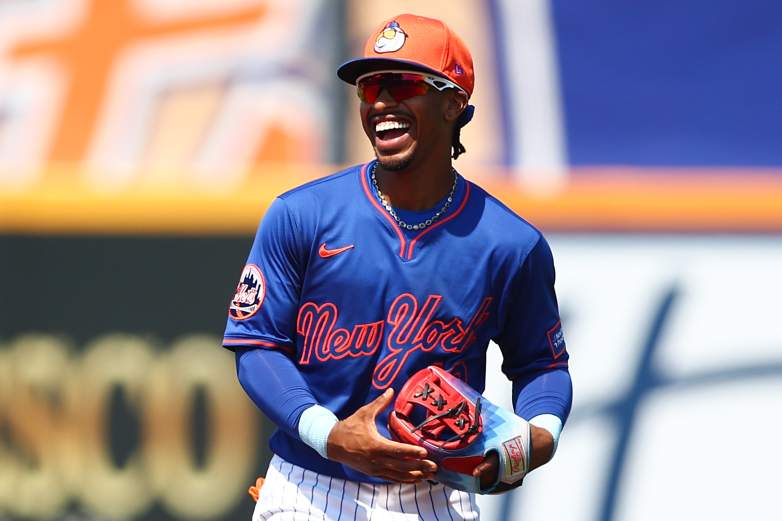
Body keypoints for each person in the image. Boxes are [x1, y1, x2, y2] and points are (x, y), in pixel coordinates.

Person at [223, 13, 572, 520]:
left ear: (454, 102)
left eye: (403, 84)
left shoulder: (510, 244)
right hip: (310, 488)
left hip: (436, 497)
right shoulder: (302, 214)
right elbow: (257, 346)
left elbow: (541, 365)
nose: (382, 102)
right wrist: (330, 435)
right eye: (370, 88)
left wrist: (542, 433)